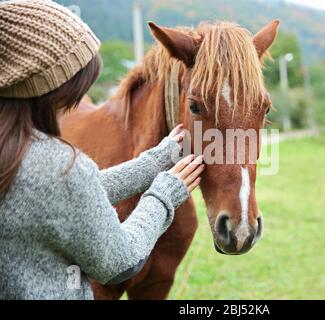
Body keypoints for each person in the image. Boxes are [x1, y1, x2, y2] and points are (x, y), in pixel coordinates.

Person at [0, 0, 204, 300]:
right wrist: (164, 193)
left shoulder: (17, 156)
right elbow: (119, 262)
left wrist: (154, 161)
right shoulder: (59, 165)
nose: (78, 99)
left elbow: (68, 194)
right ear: (48, 88)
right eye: (75, 88)